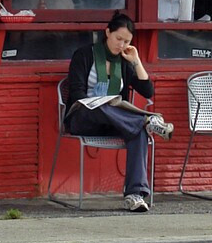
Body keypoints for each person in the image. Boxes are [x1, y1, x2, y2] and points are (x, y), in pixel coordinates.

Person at [62, 14, 174, 212]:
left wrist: (136, 61)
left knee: (138, 131)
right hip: (83, 117)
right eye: (118, 39)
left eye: (127, 41)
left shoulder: (123, 62)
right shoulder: (84, 54)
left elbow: (147, 91)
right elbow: (77, 93)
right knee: (106, 107)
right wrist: (100, 101)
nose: (121, 45)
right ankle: (146, 120)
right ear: (107, 33)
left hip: (115, 122)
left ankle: (135, 194)